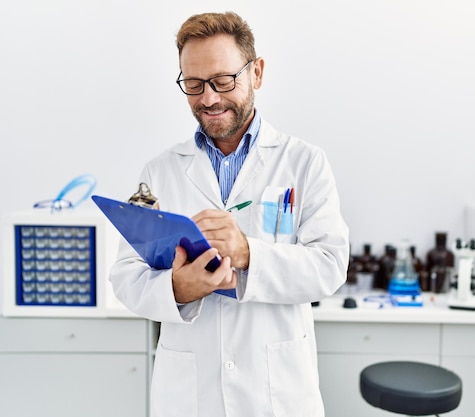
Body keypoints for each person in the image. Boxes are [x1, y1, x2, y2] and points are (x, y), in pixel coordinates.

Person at [109, 11, 350, 417]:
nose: (209, 98)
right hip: (189, 394)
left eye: (224, 81)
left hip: (275, 393)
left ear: (256, 72)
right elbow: (126, 275)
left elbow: (329, 266)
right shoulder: (160, 172)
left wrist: (247, 254)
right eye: (194, 84)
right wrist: (178, 289)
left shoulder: (304, 162)